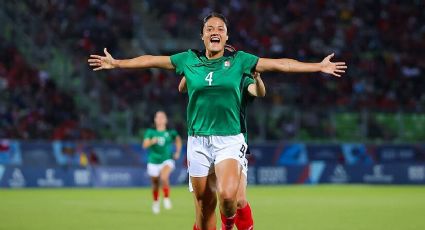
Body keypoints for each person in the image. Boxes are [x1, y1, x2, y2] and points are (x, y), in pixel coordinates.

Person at [88, 12, 346, 229]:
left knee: (228, 195)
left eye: (220, 28)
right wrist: (118, 63)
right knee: (203, 205)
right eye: (209, 28)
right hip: (197, 140)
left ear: (226, 37)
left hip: (229, 139)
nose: (215, 31)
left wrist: (317, 66)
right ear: (202, 36)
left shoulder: (240, 61)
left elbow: (281, 64)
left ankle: (228, 225)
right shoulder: (189, 60)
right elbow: (152, 60)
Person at [179, 45, 264, 230]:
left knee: (238, 199)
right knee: (204, 210)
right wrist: (194, 71)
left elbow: (257, 91)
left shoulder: (241, 77)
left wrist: (258, 80)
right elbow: (182, 88)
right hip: (202, 139)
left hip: (231, 141)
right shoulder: (203, 70)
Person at [142, 110, 182, 214]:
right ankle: (155, 202)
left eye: (162, 117)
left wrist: (177, 152)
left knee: (164, 177)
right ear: (155, 120)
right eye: (158, 117)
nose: (160, 119)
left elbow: (178, 140)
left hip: (167, 159)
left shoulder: (170, 133)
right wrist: (151, 141)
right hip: (153, 161)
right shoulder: (150, 132)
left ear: (166, 120)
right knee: (155, 183)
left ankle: (166, 198)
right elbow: (144, 145)